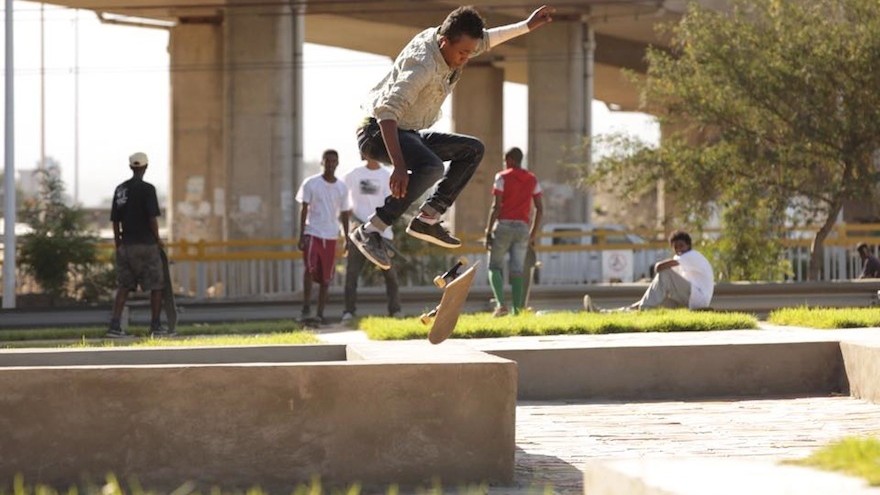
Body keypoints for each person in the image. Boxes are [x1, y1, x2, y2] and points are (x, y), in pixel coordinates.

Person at [349, 4, 556, 270]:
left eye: (470, 52)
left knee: (472, 149)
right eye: (462, 53)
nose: (465, 58)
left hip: (408, 132)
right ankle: (371, 230)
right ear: (444, 41)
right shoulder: (422, 65)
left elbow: (489, 38)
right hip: (378, 132)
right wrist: (399, 167)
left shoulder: (456, 42)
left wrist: (527, 25)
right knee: (432, 167)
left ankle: (429, 217)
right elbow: (387, 112)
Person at [105, 152, 170, 338]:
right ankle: (156, 326)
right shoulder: (148, 189)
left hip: (126, 246)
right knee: (156, 286)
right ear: (145, 167)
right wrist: (158, 240)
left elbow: (115, 221)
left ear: (131, 167)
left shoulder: (120, 190)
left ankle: (115, 326)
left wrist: (119, 243)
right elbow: (152, 219)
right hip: (147, 245)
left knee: (124, 286)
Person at [585, 230, 714, 312]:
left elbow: (659, 268)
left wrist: (659, 270)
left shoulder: (692, 255)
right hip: (688, 300)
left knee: (665, 273)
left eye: (681, 246)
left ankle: (645, 308)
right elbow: (664, 281)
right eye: (675, 247)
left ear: (689, 245)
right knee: (655, 302)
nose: (679, 249)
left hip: (698, 299)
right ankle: (604, 313)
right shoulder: (682, 258)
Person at [484, 147, 543, 317]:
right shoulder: (532, 179)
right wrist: (532, 234)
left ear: (510, 159)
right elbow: (540, 208)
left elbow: (496, 207)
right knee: (517, 269)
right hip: (523, 228)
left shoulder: (501, 177)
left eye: (505, 159)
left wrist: (488, 231)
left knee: (494, 266)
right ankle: (517, 311)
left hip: (503, 226)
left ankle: (501, 306)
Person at [342, 155, 402, 321]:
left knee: (390, 274)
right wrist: (350, 230)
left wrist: (380, 224)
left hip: (382, 233)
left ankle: (395, 310)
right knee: (352, 274)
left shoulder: (388, 175)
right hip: (358, 235)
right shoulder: (352, 175)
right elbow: (345, 207)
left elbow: (395, 204)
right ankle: (348, 312)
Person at [296, 149, 351, 324]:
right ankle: (306, 306)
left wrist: (347, 237)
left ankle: (320, 313)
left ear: (338, 163)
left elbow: (344, 214)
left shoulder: (342, 188)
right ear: (322, 162)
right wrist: (302, 234)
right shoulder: (311, 183)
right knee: (309, 270)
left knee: (326, 277)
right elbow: (304, 209)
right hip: (313, 232)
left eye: (334, 161)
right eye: (327, 161)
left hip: (331, 235)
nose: (331, 164)